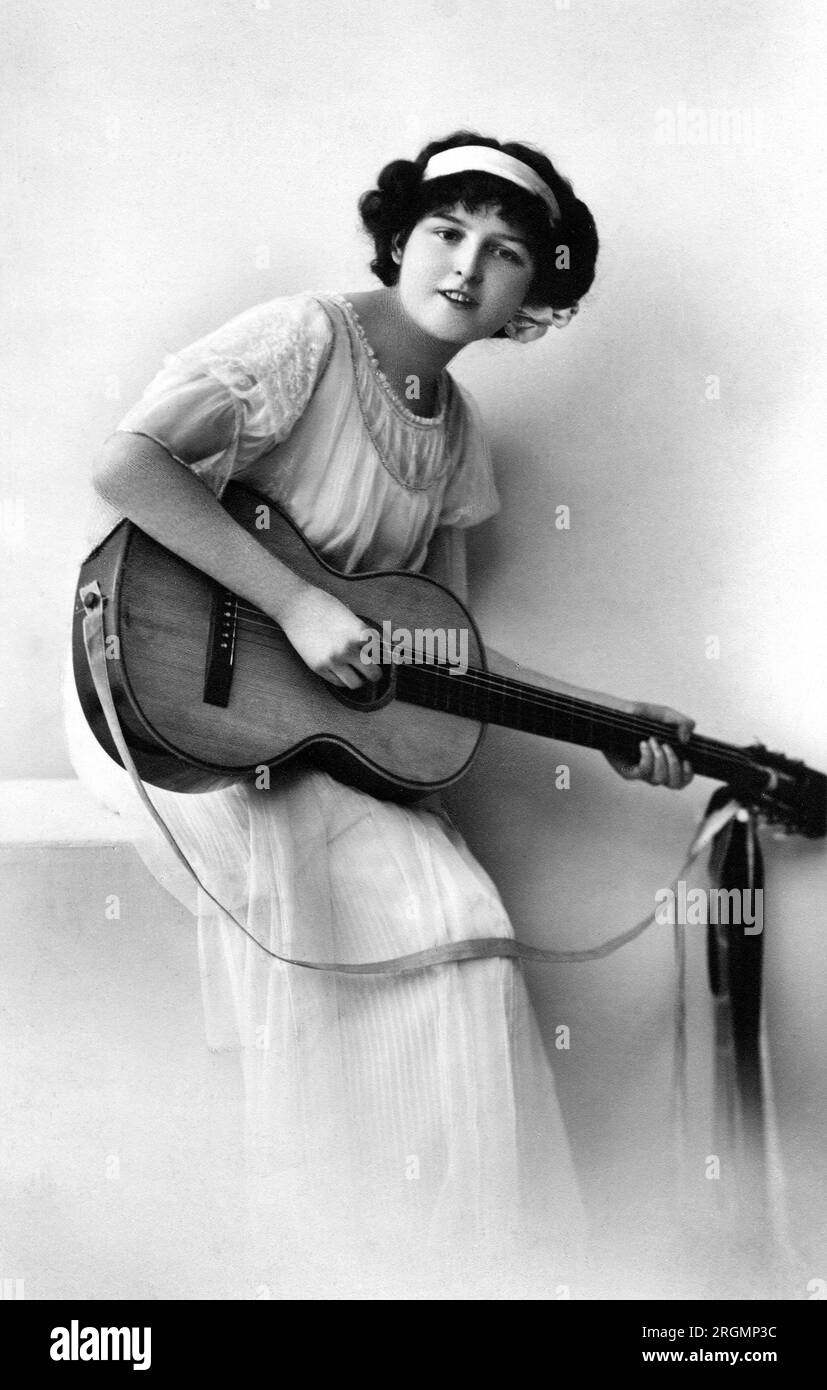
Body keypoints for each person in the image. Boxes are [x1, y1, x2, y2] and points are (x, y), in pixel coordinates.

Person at [64, 131, 695, 1298]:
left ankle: (435, 1269)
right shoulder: (302, 340)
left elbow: (437, 640)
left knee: (458, 922)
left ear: (530, 296)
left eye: (505, 253)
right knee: (374, 923)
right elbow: (128, 468)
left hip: (294, 732)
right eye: (447, 232)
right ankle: (316, 1265)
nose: (467, 266)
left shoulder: (454, 435)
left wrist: (612, 718)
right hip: (159, 691)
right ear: (401, 236)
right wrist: (299, 608)